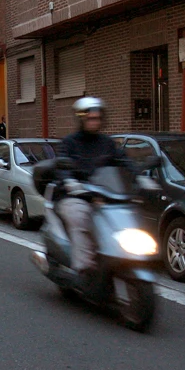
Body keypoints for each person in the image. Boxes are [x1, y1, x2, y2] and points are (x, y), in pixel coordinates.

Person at [55, 97, 126, 284]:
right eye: (90, 118)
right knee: (80, 218)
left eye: (97, 118)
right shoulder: (70, 142)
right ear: (81, 119)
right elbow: (61, 165)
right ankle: (83, 267)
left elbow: (122, 162)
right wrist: (69, 180)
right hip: (75, 196)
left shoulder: (107, 143)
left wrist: (141, 177)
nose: (94, 122)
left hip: (103, 195)